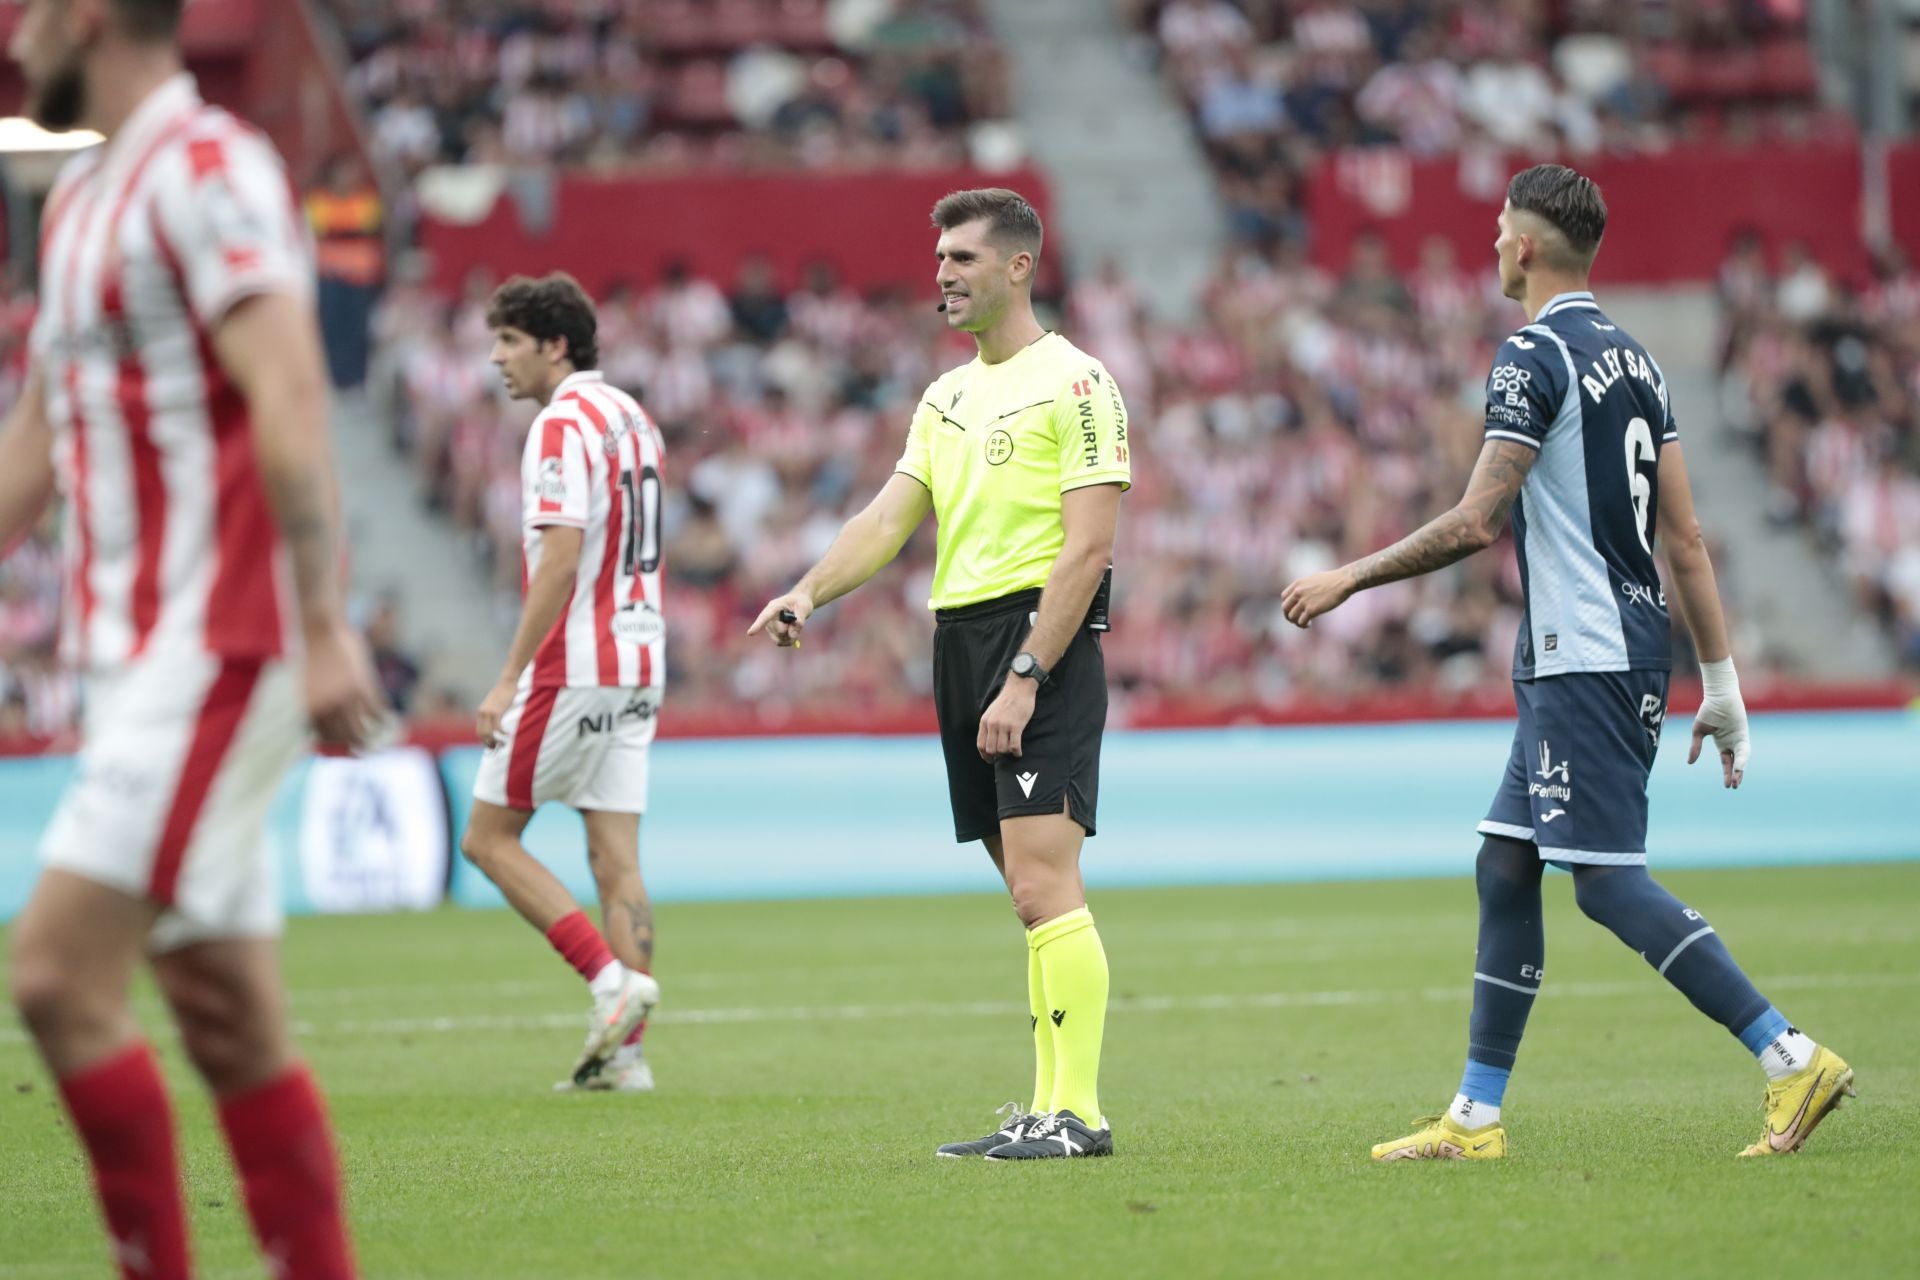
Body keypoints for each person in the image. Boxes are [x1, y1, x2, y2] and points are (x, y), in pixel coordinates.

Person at [1281, 164, 1854, 1162]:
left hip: (1583, 653)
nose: (1492, 243)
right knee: (1506, 864)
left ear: (1526, 247)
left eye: (1500, 228)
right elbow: (1686, 541)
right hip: (1605, 652)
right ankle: (1474, 1115)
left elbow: (1475, 519)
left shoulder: (1529, 357)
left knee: (1600, 879)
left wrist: (1347, 577)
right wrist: (1719, 682)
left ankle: (1789, 1053)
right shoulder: (1636, 362)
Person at [1, 1, 389, 1276]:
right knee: (225, 1021)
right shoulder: (75, 204)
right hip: (133, 660)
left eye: (39, 11)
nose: (20, 38)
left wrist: (324, 624)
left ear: (97, 15)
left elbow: (288, 395)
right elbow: (40, 440)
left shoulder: (212, 170)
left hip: (220, 642)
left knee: (56, 975)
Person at [750, 189, 1131, 1160]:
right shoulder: (946, 394)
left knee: (1047, 884)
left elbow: (1086, 549)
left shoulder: (1078, 382)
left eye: (962, 258)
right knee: (1026, 893)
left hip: (1032, 640)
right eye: (939, 261)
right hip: (957, 641)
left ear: (1016, 266)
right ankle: (1049, 1108)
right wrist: (807, 590)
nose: (943, 276)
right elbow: (886, 518)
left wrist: (1027, 673)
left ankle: (1079, 1112)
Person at [460, 273, 665, 1092]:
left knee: (486, 837)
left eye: (509, 341)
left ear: (556, 345)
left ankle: (611, 984)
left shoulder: (560, 423)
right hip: (642, 659)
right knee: (615, 857)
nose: (495, 359)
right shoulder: (634, 419)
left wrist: (508, 675)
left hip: (576, 661)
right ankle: (628, 1057)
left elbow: (560, 554)